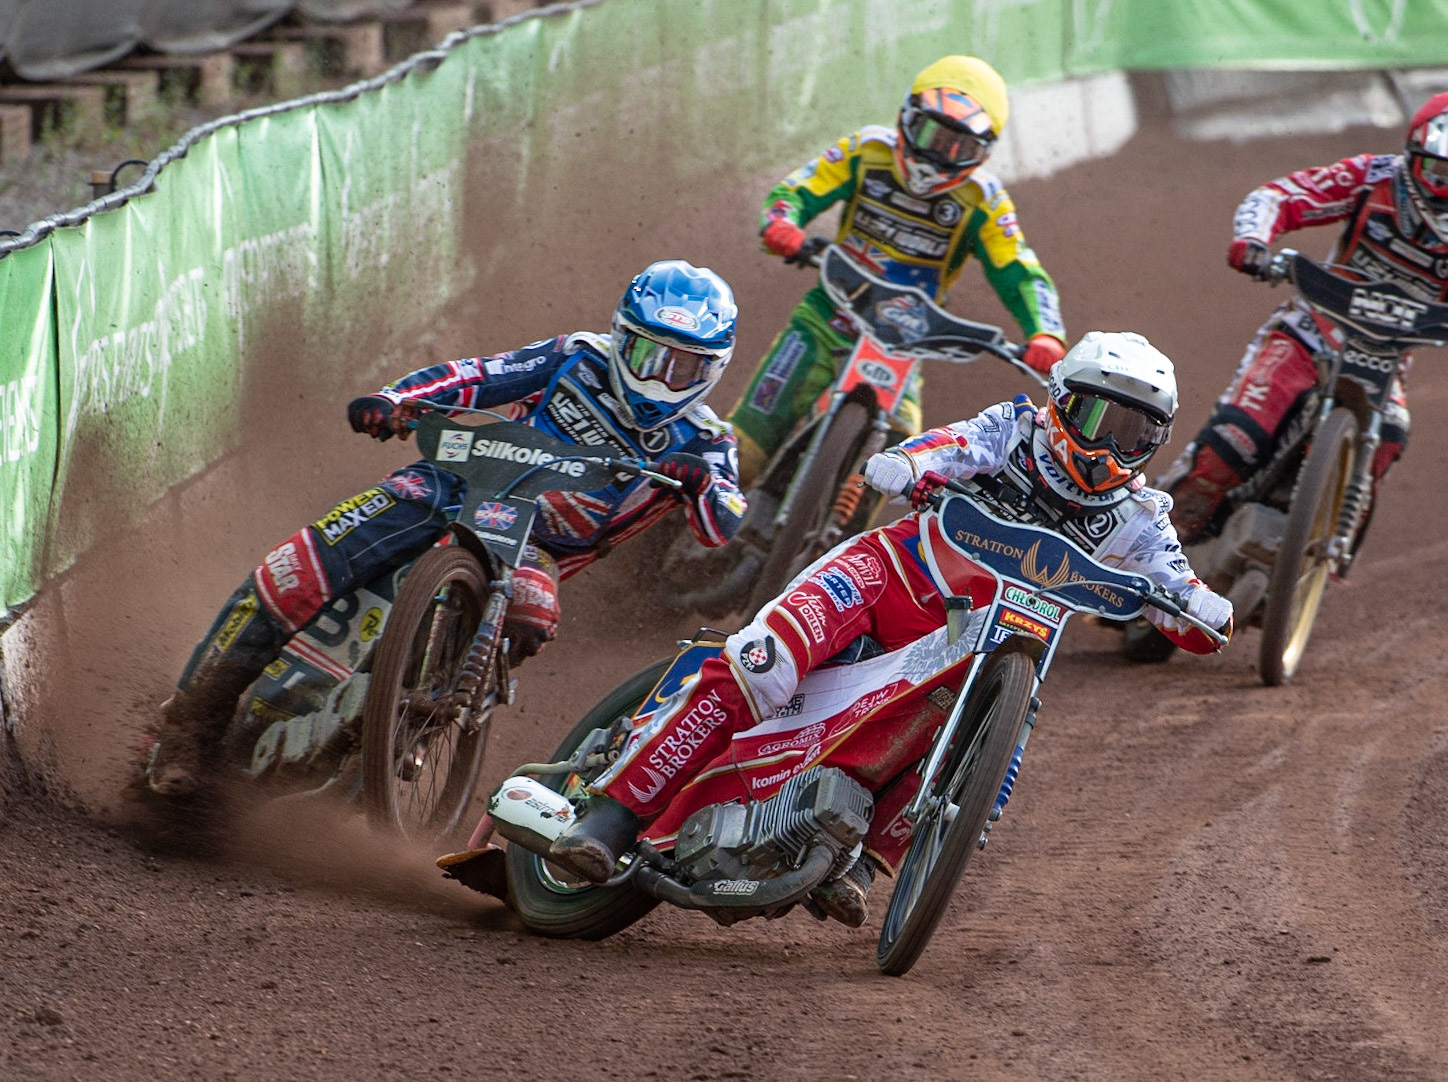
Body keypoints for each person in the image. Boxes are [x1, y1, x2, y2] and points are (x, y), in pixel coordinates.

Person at [547, 332, 1232, 927]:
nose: (1110, 445)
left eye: (1135, 434)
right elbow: (948, 445)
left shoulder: (1142, 516)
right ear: (1060, 402)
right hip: (886, 580)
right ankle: (611, 817)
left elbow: (1180, 586)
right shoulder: (1013, 431)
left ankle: (864, 869)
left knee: (987, 761)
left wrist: (1202, 609)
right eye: (1097, 418)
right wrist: (908, 465)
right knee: (761, 665)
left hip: (977, 651)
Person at [145, 260, 747, 796]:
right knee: (300, 567)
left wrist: (699, 482)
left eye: (684, 366)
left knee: (533, 614)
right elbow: (480, 375)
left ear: (712, 369)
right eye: (648, 355)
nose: (660, 379)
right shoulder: (576, 356)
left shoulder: (707, 441)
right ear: (621, 337)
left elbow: (725, 521)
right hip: (452, 484)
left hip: (535, 548)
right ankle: (191, 724)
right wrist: (398, 401)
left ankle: (419, 722)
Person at [1160, 91, 1448, 545]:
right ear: (1413, 159)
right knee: (1234, 440)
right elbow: (1280, 196)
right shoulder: (1371, 178)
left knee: (1388, 438)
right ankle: (1152, 547)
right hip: (1311, 333)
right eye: (1443, 173)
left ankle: (1320, 555)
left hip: (1385, 361)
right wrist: (1255, 241)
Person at [728, 54, 1069, 485]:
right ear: (906, 117)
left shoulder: (984, 199)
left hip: (905, 344)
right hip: (826, 318)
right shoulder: (868, 149)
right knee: (741, 453)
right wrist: (782, 223)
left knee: (902, 464)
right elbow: (796, 190)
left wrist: (1045, 333)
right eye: (932, 134)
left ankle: (835, 527)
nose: (939, 156)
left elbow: (1018, 270)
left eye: (959, 147)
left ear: (981, 153)